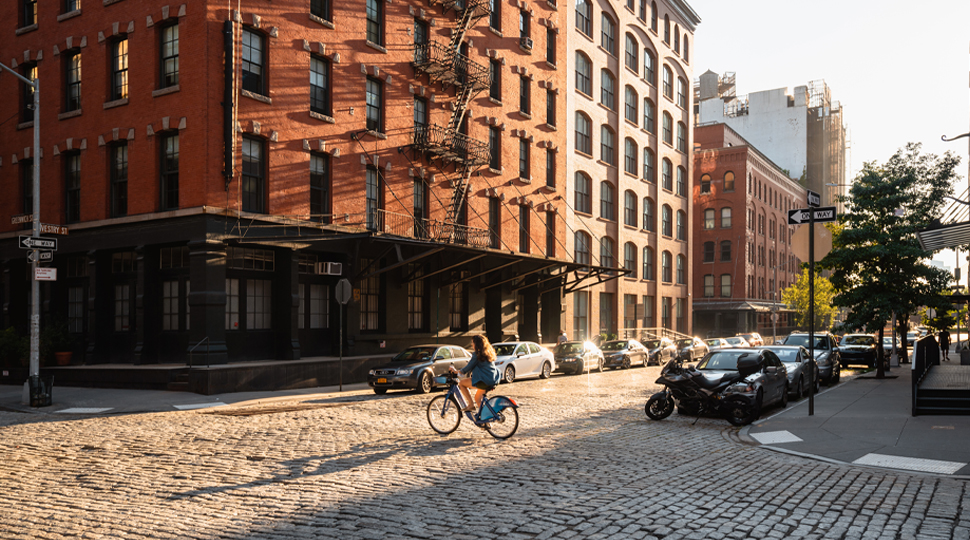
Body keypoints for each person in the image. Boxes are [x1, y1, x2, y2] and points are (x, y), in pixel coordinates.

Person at [451, 335, 501, 412]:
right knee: (477, 399)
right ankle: (485, 419)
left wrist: (458, 371)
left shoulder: (477, 354)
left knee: (461, 383)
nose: (472, 344)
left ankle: (471, 405)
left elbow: (469, 366)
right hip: (492, 379)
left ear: (477, 344)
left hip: (484, 380)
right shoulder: (487, 353)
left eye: (473, 343)